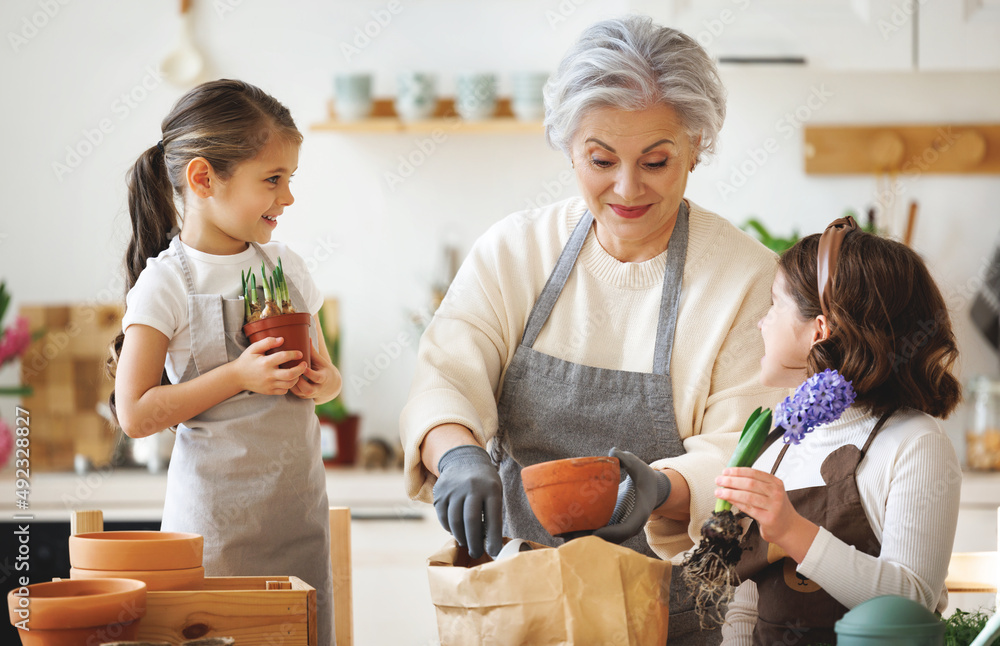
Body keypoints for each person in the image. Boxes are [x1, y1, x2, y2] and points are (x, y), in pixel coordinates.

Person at [400, 16, 786, 643]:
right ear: (568, 148)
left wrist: (662, 488)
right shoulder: (515, 251)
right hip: (521, 602)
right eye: (601, 160)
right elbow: (447, 373)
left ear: (697, 146)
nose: (627, 188)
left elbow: (745, 444)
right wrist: (458, 453)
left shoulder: (745, 279)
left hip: (674, 607)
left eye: (656, 161)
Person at [107, 79, 342, 646]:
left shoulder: (287, 266)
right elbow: (135, 413)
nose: (287, 199)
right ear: (203, 178)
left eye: (289, 180)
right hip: (212, 534)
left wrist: (319, 381)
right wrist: (238, 375)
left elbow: (328, 376)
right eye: (272, 180)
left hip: (298, 521)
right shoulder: (164, 284)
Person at [717, 217, 963, 644]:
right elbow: (748, 599)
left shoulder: (916, 443)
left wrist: (794, 532)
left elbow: (912, 602)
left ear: (820, 329)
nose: (762, 322)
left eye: (774, 304)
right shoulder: (778, 436)